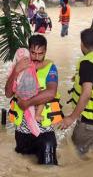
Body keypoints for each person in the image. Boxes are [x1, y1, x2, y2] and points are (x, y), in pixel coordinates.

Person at [5, 34, 63, 165]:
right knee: (22, 168)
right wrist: (16, 71)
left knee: (49, 170)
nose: (36, 57)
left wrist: (27, 103)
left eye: (40, 53)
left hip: (45, 133)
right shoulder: (19, 66)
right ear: (28, 50)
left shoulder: (50, 68)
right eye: (33, 53)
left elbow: (51, 92)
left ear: (45, 52)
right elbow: (8, 93)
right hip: (22, 132)